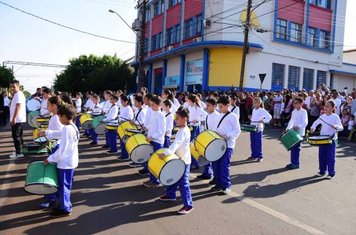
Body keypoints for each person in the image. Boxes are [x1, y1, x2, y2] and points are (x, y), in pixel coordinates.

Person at [45, 104, 79, 217]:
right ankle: (63, 206)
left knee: (64, 187)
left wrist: (50, 159)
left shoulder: (67, 128)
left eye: (60, 117)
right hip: (70, 162)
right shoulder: (73, 126)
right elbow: (59, 134)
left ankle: (65, 208)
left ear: (64, 116)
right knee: (65, 186)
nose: (59, 119)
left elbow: (61, 150)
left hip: (65, 163)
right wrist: (46, 133)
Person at [158, 108, 193, 215]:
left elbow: (176, 143)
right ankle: (170, 195)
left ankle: (188, 205)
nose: (175, 120)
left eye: (177, 118)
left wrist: (166, 153)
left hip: (183, 161)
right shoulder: (181, 129)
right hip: (177, 159)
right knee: (173, 178)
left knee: (183, 183)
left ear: (184, 119)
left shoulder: (184, 131)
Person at [37, 96, 65, 209]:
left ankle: (51, 199)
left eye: (48, 104)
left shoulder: (56, 117)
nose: (47, 106)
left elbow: (61, 133)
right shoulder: (55, 116)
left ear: (54, 105)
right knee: (55, 173)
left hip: (57, 147)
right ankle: (53, 197)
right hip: (55, 145)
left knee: (52, 173)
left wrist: (46, 132)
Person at [211, 96, 241, 194]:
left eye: (221, 107)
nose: (220, 109)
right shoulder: (219, 115)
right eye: (219, 107)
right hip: (218, 143)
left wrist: (228, 136)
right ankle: (219, 183)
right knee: (216, 165)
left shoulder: (233, 116)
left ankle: (226, 186)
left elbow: (237, 131)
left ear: (227, 105)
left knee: (224, 165)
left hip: (228, 144)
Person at [310, 100, 343, 179]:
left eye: (328, 106)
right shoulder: (322, 116)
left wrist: (336, 126)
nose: (325, 107)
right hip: (322, 139)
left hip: (331, 140)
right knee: (322, 156)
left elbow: (341, 127)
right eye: (325, 106)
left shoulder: (335, 117)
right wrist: (312, 128)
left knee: (330, 157)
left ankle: (331, 173)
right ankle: (322, 171)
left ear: (332, 108)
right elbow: (315, 123)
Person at [143, 96, 166, 188]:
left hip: (157, 142)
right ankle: (152, 179)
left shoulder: (161, 115)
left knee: (155, 162)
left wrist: (152, 137)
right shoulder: (154, 113)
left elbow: (161, 131)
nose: (151, 107)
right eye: (151, 105)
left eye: (153, 105)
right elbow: (152, 126)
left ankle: (155, 181)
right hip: (152, 140)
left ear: (160, 105)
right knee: (151, 161)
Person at [196, 98, 220, 181]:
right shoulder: (207, 115)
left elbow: (216, 130)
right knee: (206, 157)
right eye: (206, 105)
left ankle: (216, 178)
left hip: (214, 140)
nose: (207, 107)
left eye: (209, 105)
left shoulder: (217, 116)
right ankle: (207, 173)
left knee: (214, 161)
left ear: (214, 106)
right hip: (208, 139)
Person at [285, 97, 308, 170]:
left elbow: (305, 122)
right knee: (292, 147)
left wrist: (298, 127)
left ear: (301, 103)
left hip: (299, 133)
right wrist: (287, 129)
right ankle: (293, 162)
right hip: (293, 131)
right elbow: (291, 121)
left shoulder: (304, 111)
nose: (294, 105)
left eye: (296, 103)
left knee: (297, 148)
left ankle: (296, 163)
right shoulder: (294, 111)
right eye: (293, 103)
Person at [248, 97, 272, 162]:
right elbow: (254, 118)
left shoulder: (262, 110)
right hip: (252, 127)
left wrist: (263, 120)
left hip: (258, 128)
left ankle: (260, 156)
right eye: (253, 103)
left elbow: (269, 117)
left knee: (258, 143)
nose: (254, 104)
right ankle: (254, 155)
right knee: (253, 142)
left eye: (255, 103)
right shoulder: (253, 110)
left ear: (259, 103)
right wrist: (251, 118)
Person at [186, 94, 207, 170]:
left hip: (195, 127)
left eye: (188, 100)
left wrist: (197, 120)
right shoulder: (190, 107)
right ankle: (193, 162)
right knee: (190, 145)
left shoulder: (197, 107)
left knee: (193, 146)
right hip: (191, 126)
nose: (187, 101)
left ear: (191, 100)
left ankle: (195, 163)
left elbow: (205, 115)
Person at [9, 80, 27, 159]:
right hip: (19, 119)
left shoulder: (19, 94)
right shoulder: (16, 94)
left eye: (14, 86)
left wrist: (14, 118)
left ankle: (19, 153)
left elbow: (18, 107)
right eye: (11, 86)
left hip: (17, 119)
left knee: (16, 136)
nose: (12, 88)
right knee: (19, 136)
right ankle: (21, 150)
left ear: (18, 86)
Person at [118, 95, 134, 160]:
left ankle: (125, 155)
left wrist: (122, 119)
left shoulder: (128, 108)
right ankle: (123, 154)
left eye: (122, 101)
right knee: (122, 142)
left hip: (126, 127)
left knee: (125, 142)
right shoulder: (124, 107)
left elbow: (130, 118)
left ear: (126, 101)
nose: (121, 103)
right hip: (122, 127)